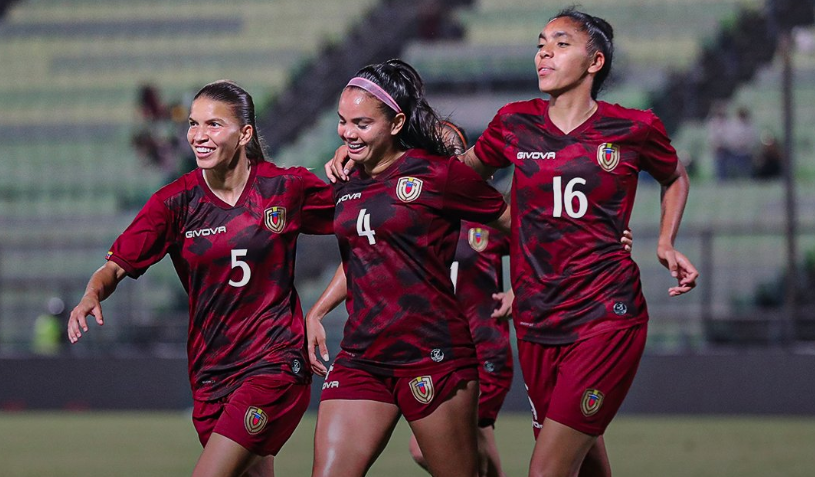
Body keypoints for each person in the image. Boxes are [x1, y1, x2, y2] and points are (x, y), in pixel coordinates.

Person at [326, 8, 698, 477]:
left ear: (595, 61)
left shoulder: (634, 127)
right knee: (583, 460)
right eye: (541, 42)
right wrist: (366, 154)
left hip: (606, 314)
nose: (544, 51)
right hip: (538, 322)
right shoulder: (515, 123)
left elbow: (675, 175)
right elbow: (451, 173)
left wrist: (665, 241)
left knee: (545, 470)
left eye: (561, 43)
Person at [67, 80, 335, 477]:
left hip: (274, 364)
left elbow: (361, 215)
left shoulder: (283, 187)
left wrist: (357, 161)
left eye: (213, 125)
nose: (198, 136)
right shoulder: (174, 202)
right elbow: (115, 266)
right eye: (193, 124)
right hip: (212, 376)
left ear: (244, 134)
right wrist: (93, 292)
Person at [306, 59, 512, 477]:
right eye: (343, 122)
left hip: (432, 354)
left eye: (362, 122)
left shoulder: (438, 176)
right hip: (361, 356)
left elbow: (522, 225)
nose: (347, 133)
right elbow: (368, 252)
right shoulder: (346, 180)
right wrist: (318, 309)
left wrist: (537, 280)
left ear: (397, 122)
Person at [408, 121, 514, 477]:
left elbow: (541, 246)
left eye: (448, 150)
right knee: (476, 444)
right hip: (438, 348)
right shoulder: (418, 213)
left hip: (485, 346)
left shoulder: (486, 211)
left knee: (442, 447)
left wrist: (521, 290)